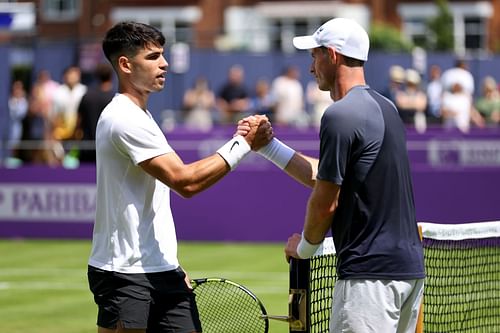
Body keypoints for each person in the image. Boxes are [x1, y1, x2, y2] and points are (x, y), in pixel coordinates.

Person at [239, 17, 425, 333]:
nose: (311, 67)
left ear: (333, 55)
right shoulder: (386, 108)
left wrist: (304, 250)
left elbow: (326, 201)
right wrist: (269, 147)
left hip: (369, 281)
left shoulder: (340, 115)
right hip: (408, 275)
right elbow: (330, 176)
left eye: (315, 55)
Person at [87, 21, 271, 333]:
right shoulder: (123, 119)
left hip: (160, 268)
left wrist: (169, 262)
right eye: (153, 57)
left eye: (162, 55)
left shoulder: (141, 116)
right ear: (125, 64)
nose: (165, 63)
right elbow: (185, 181)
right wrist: (243, 143)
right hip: (124, 272)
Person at [77, 63, 115, 162]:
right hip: (108, 150)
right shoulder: (115, 100)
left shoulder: (87, 97)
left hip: (87, 148)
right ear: (111, 76)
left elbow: (78, 121)